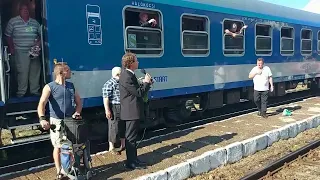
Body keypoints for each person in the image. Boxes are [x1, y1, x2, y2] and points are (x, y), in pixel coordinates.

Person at [37, 62, 82, 179]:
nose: (71, 72)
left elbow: (79, 102)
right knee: (57, 146)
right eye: (68, 70)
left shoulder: (71, 86)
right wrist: (42, 119)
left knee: (72, 145)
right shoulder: (49, 87)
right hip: (56, 122)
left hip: (71, 120)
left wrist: (77, 112)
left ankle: (70, 167)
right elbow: (42, 103)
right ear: (62, 73)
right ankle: (59, 171)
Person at [119, 52, 152, 170]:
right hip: (131, 111)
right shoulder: (127, 76)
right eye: (136, 60)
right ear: (131, 63)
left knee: (132, 137)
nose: (138, 62)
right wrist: (146, 83)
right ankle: (131, 163)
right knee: (131, 138)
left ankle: (134, 160)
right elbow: (138, 93)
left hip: (132, 110)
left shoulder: (129, 75)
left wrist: (145, 84)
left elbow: (136, 90)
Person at [5, 2, 41, 97]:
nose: (25, 11)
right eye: (23, 9)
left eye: (27, 9)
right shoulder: (13, 21)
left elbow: (41, 35)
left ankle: (34, 91)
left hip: (34, 51)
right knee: (23, 71)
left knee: (35, 71)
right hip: (20, 50)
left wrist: (37, 45)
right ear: (19, 11)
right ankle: (21, 92)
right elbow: (8, 36)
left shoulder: (34, 22)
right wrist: (12, 48)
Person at [102, 66, 125, 155]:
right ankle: (111, 147)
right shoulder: (109, 84)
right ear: (118, 74)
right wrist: (107, 110)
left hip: (122, 106)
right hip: (114, 107)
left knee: (123, 126)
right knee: (113, 127)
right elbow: (106, 98)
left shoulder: (122, 83)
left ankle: (123, 145)